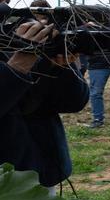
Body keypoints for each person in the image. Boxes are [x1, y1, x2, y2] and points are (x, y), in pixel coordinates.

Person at [0, 12, 89, 189]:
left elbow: (73, 102)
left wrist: (63, 67)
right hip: (7, 183)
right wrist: (19, 64)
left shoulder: (16, 32)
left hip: (42, 174)